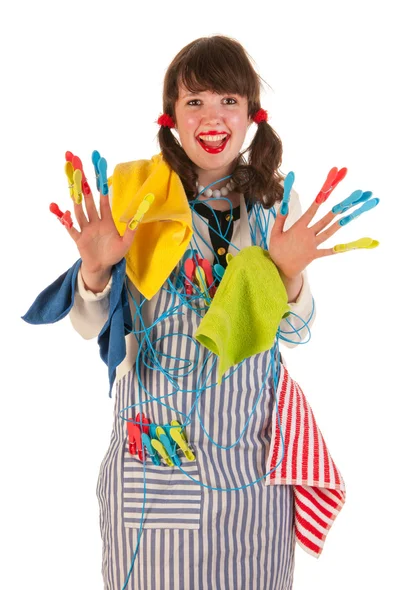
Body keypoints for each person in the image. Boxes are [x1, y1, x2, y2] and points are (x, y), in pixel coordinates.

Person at [24, 35, 377, 590]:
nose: (212, 116)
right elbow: (91, 326)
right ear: (171, 118)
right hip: (154, 466)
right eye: (195, 102)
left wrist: (288, 273)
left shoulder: (273, 207)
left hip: (252, 473)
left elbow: (298, 330)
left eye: (228, 101)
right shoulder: (135, 204)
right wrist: (93, 272)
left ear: (250, 115)